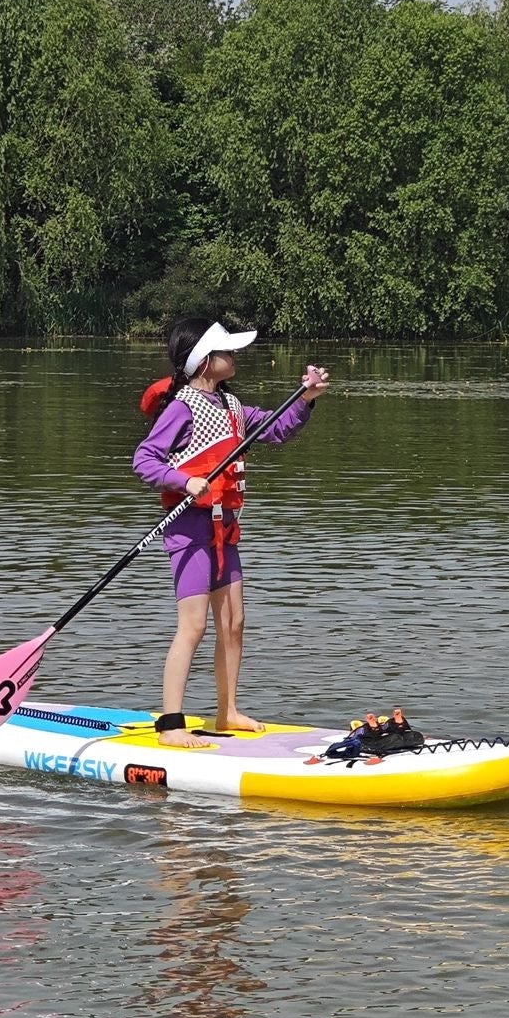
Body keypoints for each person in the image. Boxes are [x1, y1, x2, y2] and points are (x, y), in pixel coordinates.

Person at [133, 317, 328, 748]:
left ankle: (227, 712)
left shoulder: (232, 406)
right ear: (205, 362)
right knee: (193, 627)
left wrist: (307, 399)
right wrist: (184, 481)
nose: (234, 356)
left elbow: (277, 428)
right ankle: (170, 724)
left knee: (234, 622)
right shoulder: (182, 406)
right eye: (226, 351)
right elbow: (145, 460)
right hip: (188, 527)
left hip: (226, 527)